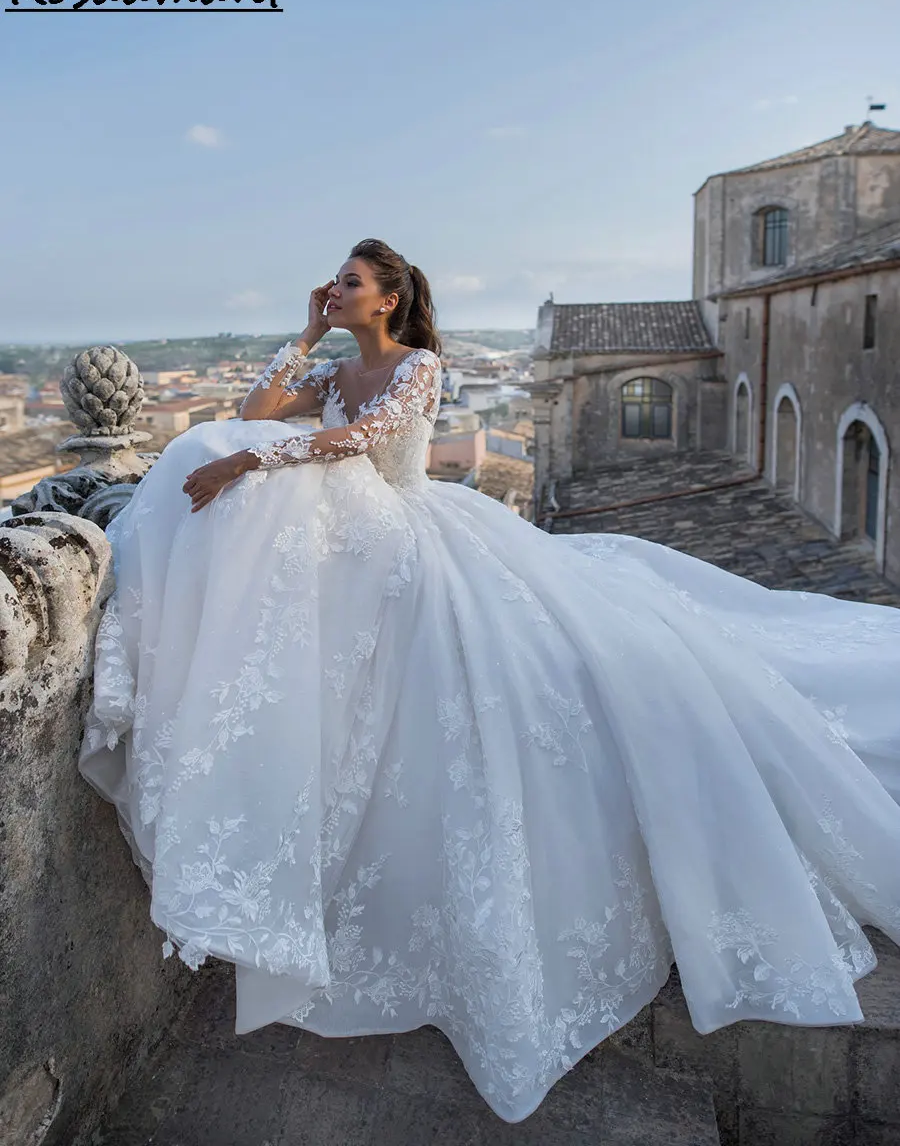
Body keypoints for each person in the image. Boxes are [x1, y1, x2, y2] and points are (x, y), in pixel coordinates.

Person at [79, 237, 900, 1125]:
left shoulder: (418, 368)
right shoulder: (335, 367)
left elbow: (357, 443)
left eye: (349, 284)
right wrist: (305, 333)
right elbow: (254, 410)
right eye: (335, 284)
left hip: (415, 539)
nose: (337, 289)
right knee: (218, 442)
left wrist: (250, 461)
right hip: (362, 550)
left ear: (388, 299)